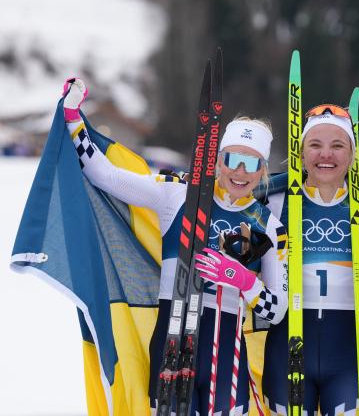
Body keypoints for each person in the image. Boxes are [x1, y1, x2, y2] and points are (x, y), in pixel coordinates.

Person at [61, 78, 288, 415]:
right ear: (218, 158)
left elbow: (277, 310)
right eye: (233, 159)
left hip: (224, 358)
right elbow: (106, 177)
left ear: (263, 171)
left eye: (252, 163)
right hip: (173, 339)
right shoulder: (178, 194)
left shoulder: (268, 226)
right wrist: (72, 118)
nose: (240, 172)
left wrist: (244, 281)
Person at [262, 104, 359, 415]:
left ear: (352, 154)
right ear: (301, 152)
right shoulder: (273, 205)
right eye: (316, 145)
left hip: (349, 352)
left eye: (338, 146)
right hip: (287, 347)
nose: (326, 155)